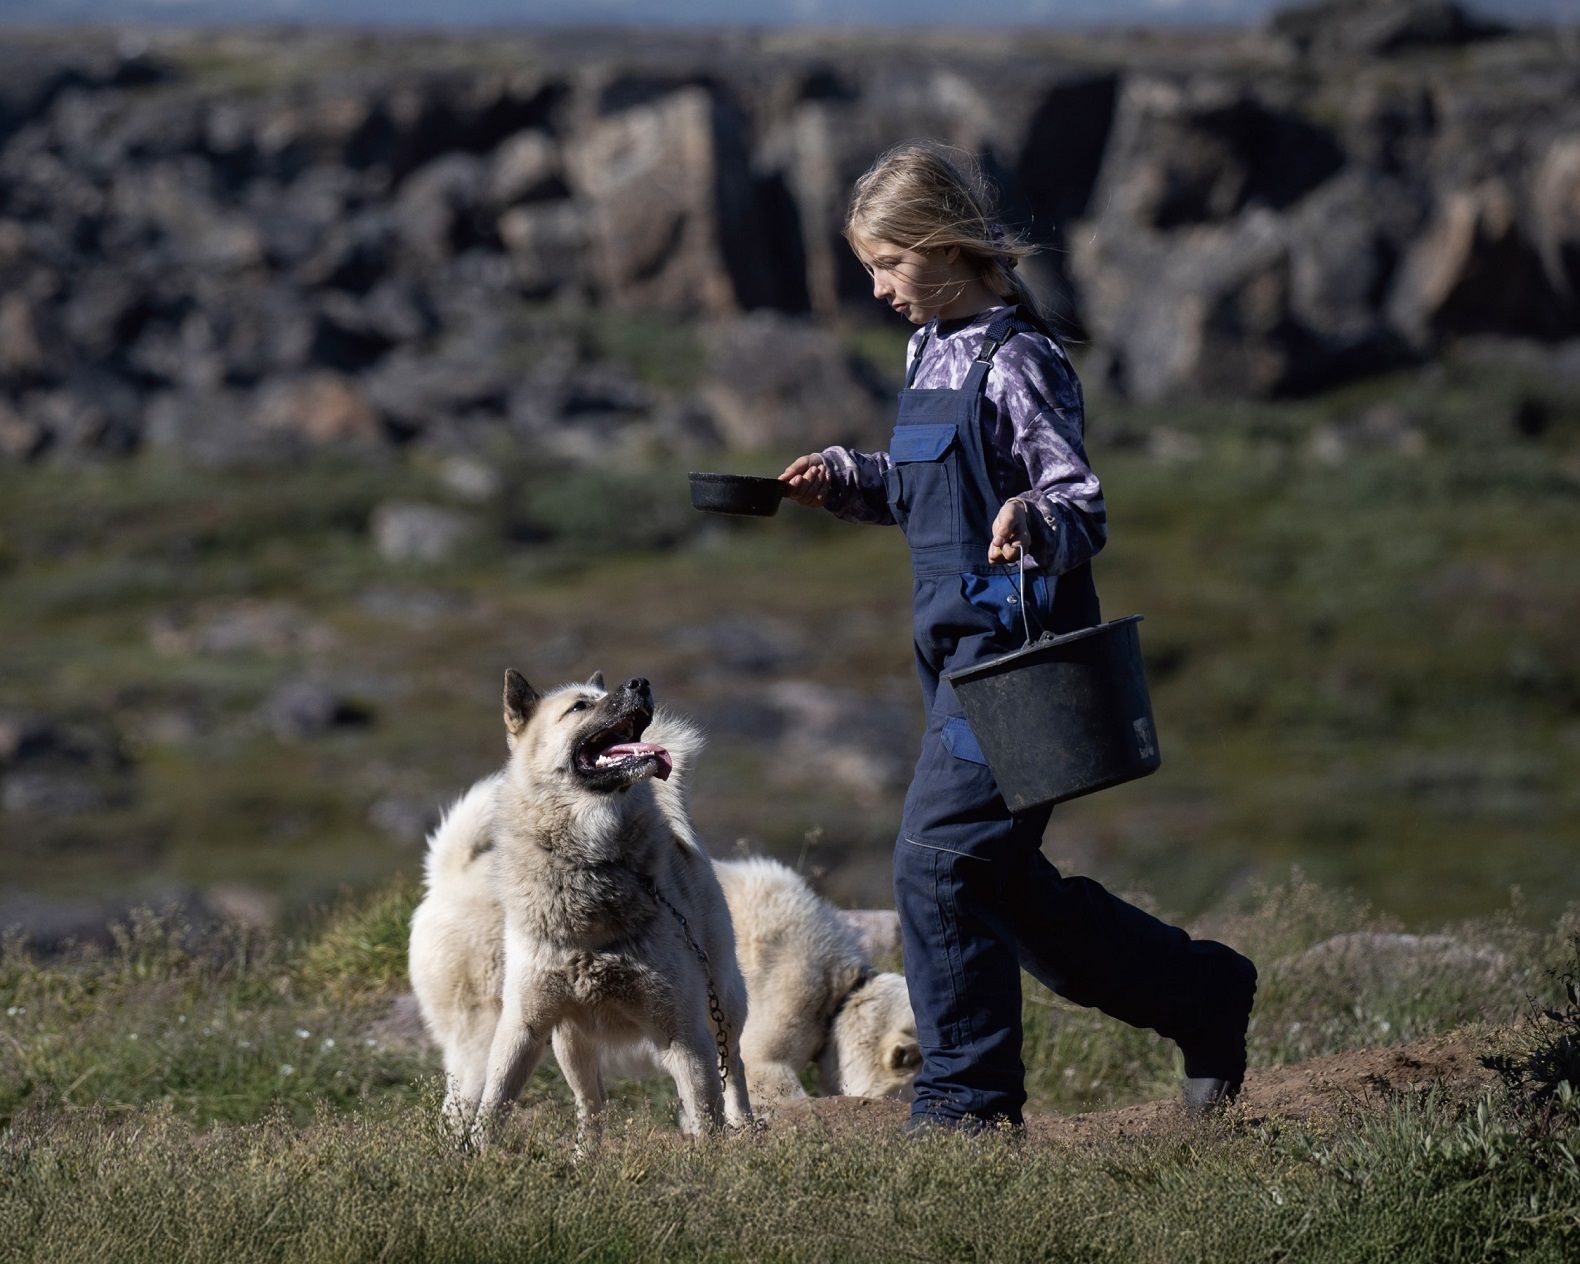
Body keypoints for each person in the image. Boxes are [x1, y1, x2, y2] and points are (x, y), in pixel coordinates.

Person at [778, 141, 1256, 1133]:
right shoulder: (927, 352)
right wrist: (845, 476)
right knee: (998, 884)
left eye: (888, 264)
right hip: (948, 657)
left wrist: (1032, 520)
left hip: (1017, 664)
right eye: (868, 268)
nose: (877, 290)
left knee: (935, 862)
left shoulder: (1016, 358)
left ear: (945, 248)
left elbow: (1077, 500)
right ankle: (1199, 994)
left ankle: (965, 1107)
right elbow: (923, 492)